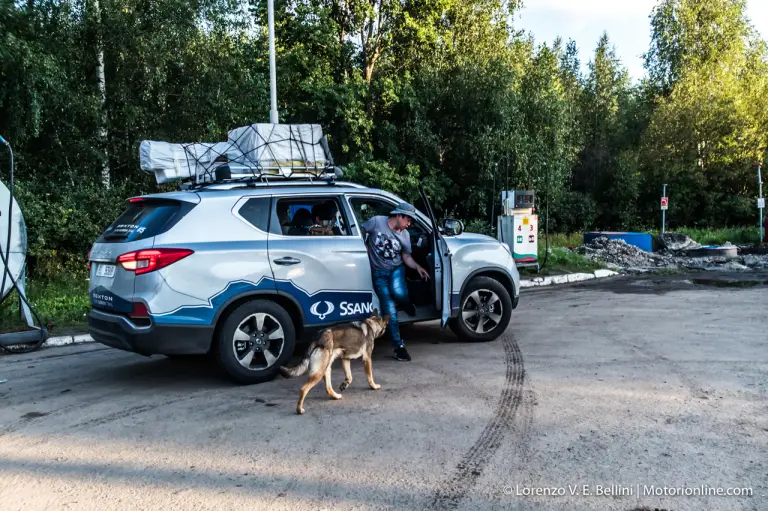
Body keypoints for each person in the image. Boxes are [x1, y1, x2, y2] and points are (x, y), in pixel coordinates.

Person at [361, 202, 429, 361]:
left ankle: (406, 303)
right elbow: (359, 233)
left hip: (397, 269)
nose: (409, 224)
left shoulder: (405, 235)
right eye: (408, 220)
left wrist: (418, 267)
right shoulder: (377, 222)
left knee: (399, 292)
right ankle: (399, 347)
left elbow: (406, 256)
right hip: (379, 273)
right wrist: (363, 248)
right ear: (399, 215)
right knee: (389, 308)